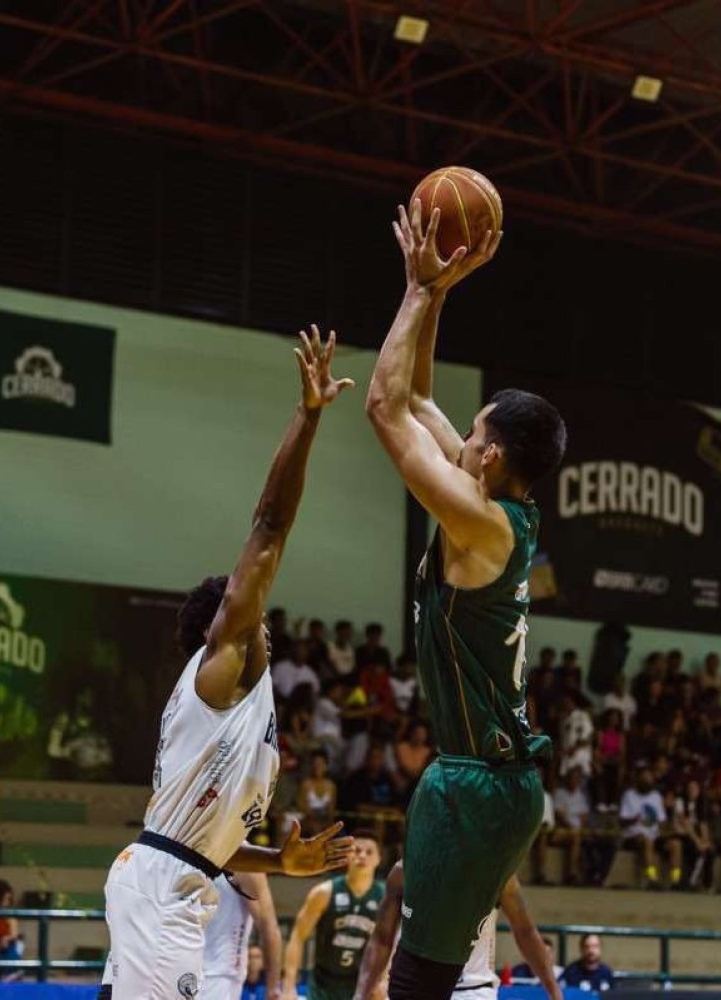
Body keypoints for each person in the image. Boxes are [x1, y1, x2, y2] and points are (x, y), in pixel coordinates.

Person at [99, 328, 355, 1000]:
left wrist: (279, 860)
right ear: (229, 623)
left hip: (173, 877)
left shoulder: (236, 702)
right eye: (253, 611)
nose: (264, 617)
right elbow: (270, 523)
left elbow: (205, 839)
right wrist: (308, 415)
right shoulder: (223, 668)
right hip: (161, 892)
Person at [365, 200, 565, 1000]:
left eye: (474, 429)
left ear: (487, 454)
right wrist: (441, 290)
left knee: (417, 985)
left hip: (474, 782)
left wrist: (415, 290)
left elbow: (383, 407)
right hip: (496, 779)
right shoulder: (504, 507)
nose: (463, 433)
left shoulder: (479, 522)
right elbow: (415, 399)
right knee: (433, 977)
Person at [352, 861, 562, 1000]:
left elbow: (525, 932)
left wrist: (554, 993)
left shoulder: (496, 871)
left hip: (472, 990)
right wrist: (361, 994)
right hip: (414, 989)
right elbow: (381, 939)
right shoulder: (406, 869)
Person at [282, 831, 385, 1000]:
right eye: (357, 850)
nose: (362, 856)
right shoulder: (324, 892)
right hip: (324, 982)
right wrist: (288, 986)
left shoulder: (384, 897)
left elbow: (390, 943)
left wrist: (384, 979)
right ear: (347, 855)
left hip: (363, 983)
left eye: (369, 852)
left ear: (379, 859)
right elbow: (297, 937)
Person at [202, 872, 281, 1000]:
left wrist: (273, 987)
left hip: (218, 975)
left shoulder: (244, 866)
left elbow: (268, 927)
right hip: (179, 964)